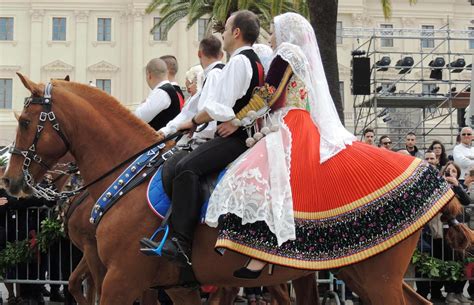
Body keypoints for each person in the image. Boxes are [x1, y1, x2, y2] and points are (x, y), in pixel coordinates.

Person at [204, 12, 454, 279]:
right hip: (293, 121)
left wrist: (236, 119)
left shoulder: (286, 52)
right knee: (274, 184)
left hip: (289, 123)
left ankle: (261, 253)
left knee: (256, 178)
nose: (271, 36)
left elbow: (268, 95)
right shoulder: (296, 56)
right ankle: (263, 252)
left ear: (287, 33)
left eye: (275, 30)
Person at [142, 10, 264, 266]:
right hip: (241, 133)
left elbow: (220, 107)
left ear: (237, 33)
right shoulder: (256, 60)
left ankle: (182, 242)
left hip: (236, 138)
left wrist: (193, 122)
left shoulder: (239, 62)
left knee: (187, 167)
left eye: (227, 28)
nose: (224, 33)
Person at [159, 36, 225, 143]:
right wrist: (168, 129)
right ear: (221, 55)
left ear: (199, 54)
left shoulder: (214, 75)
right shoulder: (216, 73)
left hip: (206, 139)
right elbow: (191, 109)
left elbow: (207, 115)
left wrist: (173, 129)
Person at [135, 58, 181, 130]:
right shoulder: (167, 90)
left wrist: (142, 104)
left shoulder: (162, 92)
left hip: (160, 140)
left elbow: (139, 117)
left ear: (149, 75)